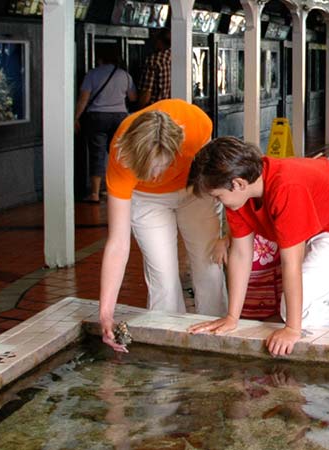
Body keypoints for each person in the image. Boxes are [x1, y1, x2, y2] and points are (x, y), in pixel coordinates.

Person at [185, 137, 329, 356]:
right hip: (320, 213)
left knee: (300, 307)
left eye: (217, 196)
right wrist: (232, 317)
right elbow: (240, 254)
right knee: (318, 297)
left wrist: (292, 329)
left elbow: (291, 263)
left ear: (238, 183)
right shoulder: (239, 197)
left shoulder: (286, 188)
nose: (219, 201)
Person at [97, 99, 227, 352]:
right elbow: (118, 243)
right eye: (147, 168)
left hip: (194, 190)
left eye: (160, 166)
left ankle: (217, 343)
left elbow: (223, 178)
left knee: (207, 265)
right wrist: (105, 313)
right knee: (162, 277)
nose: (155, 175)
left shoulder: (197, 125)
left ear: (177, 148)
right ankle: (168, 349)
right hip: (147, 200)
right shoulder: (121, 154)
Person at [74, 46, 136, 203]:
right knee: (118, 153)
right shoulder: (125, 76)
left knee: (97, 153)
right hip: (120, 117)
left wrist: (75, 118)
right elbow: (133, 97)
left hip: (97, 117)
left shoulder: (92, 74)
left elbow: (83, 99)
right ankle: (116, 189)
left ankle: (95, 193)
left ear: (99, 58)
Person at [138, 29, 171, 107]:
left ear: (159, 41)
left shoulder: (153, 60)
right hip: (171, 108)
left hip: (155, 110)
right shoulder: (175, 56)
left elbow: (146, 94)